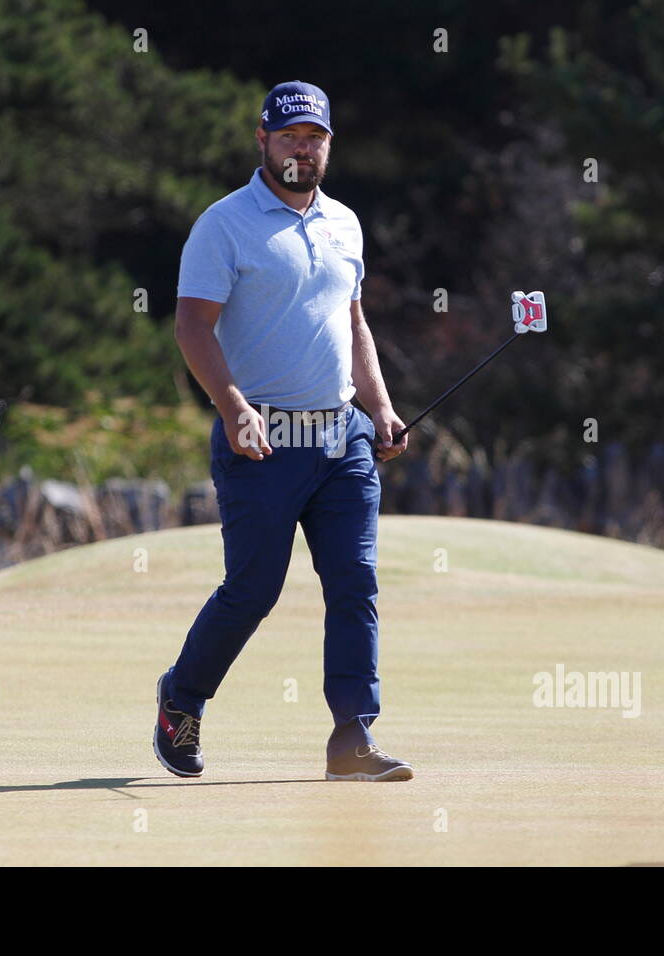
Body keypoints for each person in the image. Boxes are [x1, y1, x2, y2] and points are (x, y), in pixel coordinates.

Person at [154, 80, 413, 782]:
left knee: (355, 582)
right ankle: (181, 699)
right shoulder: (225, 224)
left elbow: (353, 322)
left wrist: (381, 407)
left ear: (329, 144)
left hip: (342, 441)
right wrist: (233, 405)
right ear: (262, 140)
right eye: (291, 135)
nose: (304, 147)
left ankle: (352, 738)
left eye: (316, 137)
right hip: (260, 443)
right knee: (253, 590)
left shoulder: (345, 224)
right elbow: (192, 325)